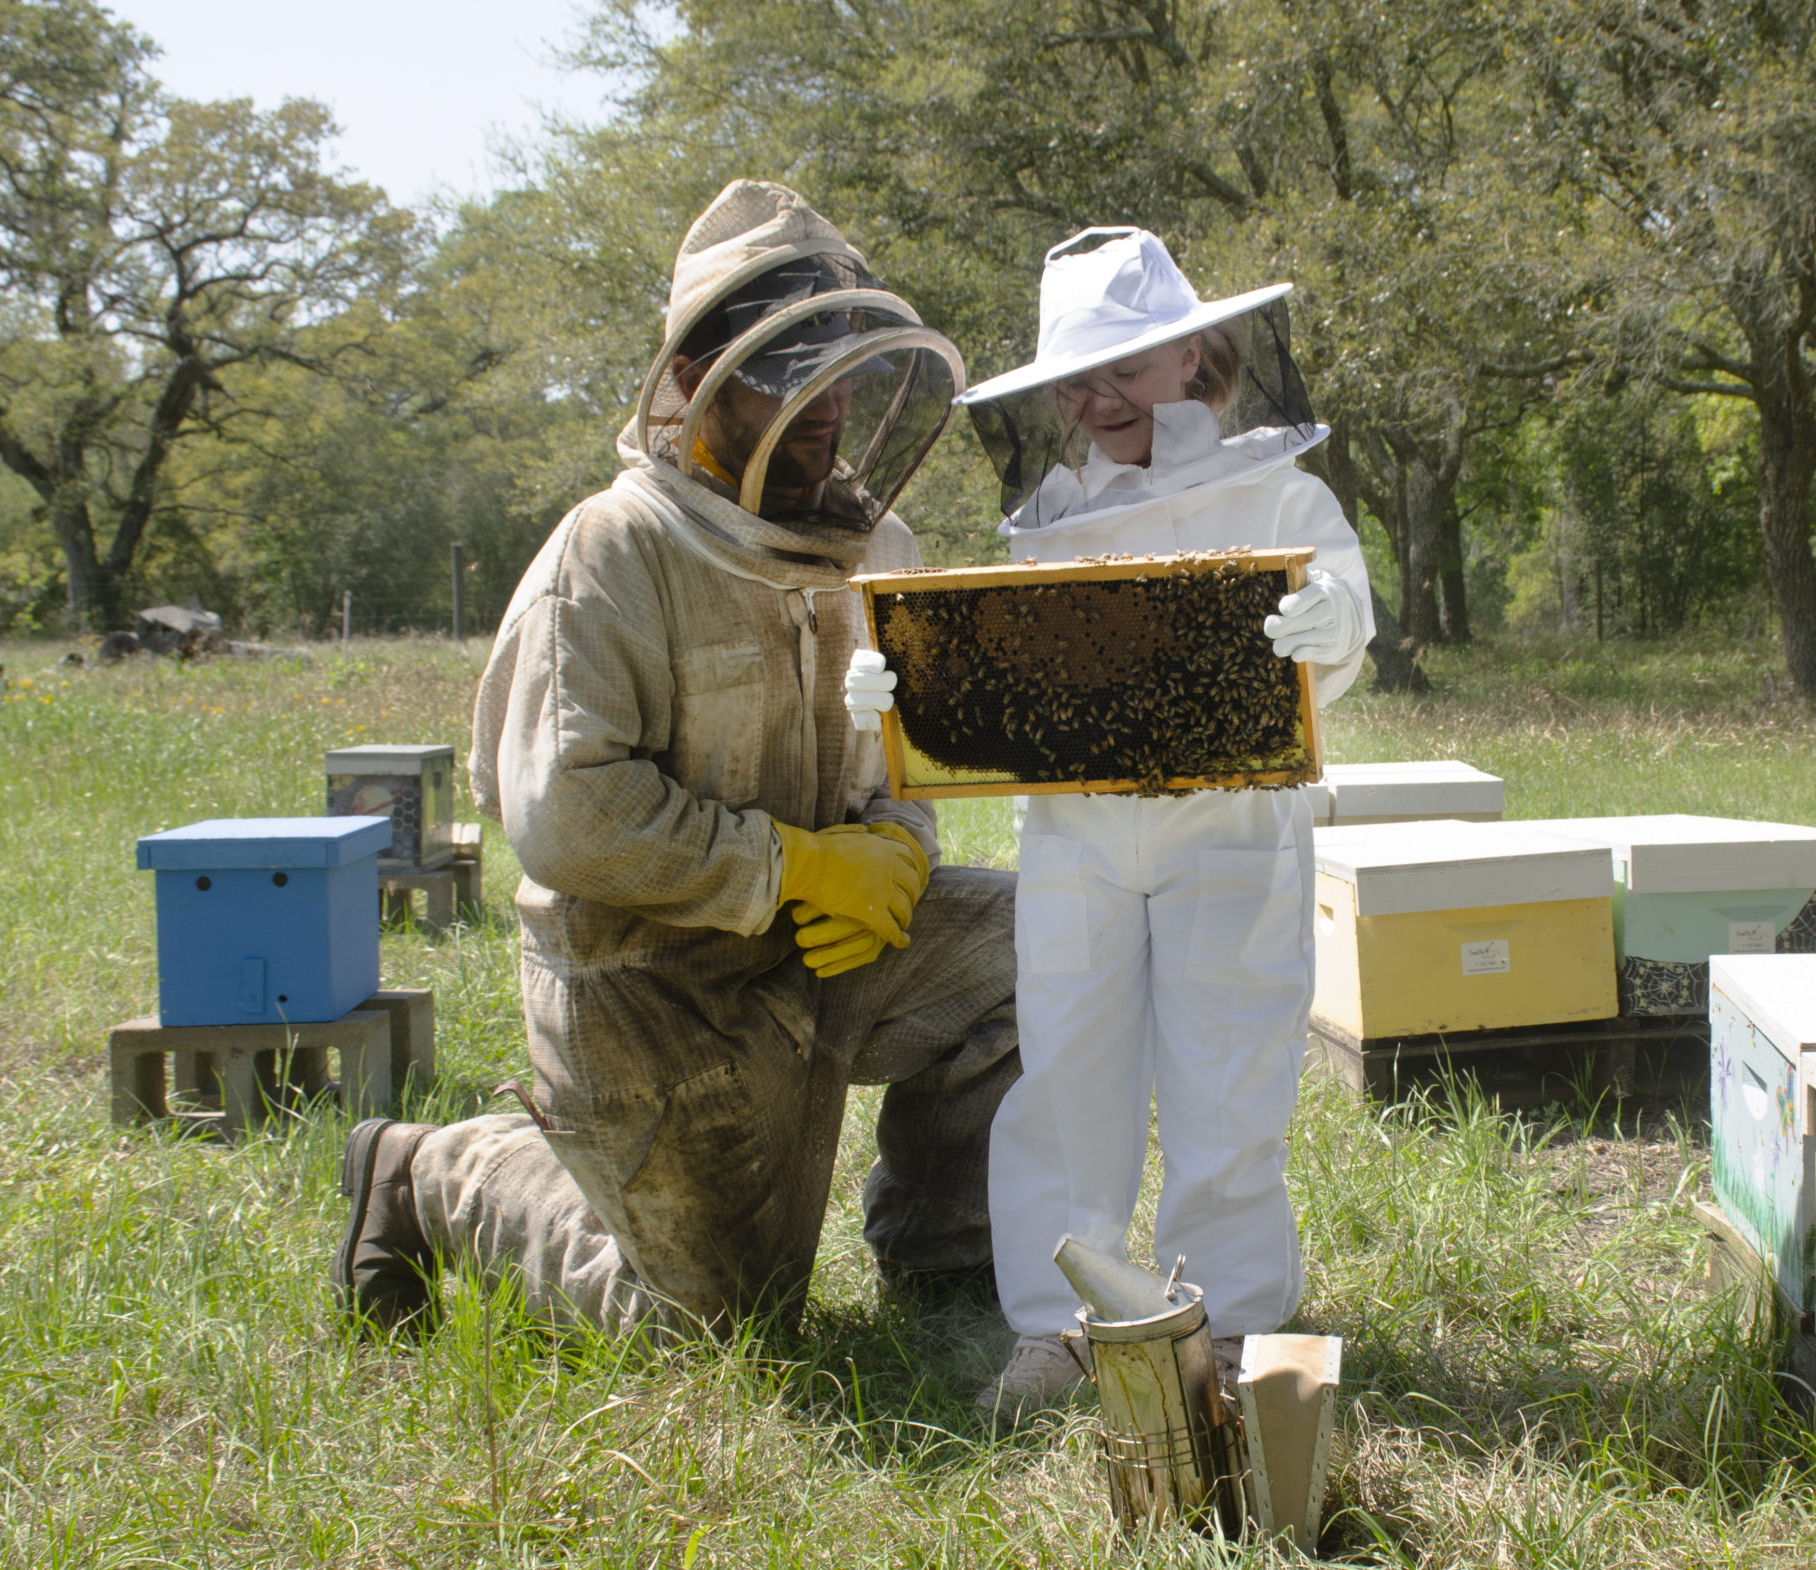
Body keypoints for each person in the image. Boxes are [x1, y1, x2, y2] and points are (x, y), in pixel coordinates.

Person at [331, 179, 1023, 1343]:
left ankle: (945, 1247)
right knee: (717, 1324)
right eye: (786, 373)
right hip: (641, 979)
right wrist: (794, 864)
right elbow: (568, 814)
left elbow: (898, 758)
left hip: (822, 948)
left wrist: (895, 851)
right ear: (700, 382)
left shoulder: (880, 546)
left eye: (841, 370)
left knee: (1050, 946)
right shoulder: (611, 551)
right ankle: (435, 1173)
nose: (825, 405)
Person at [844, 229, 1373, 1413]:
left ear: (1191, 356)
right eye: (1076, 382)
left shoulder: (1279, 492)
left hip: (1232, 831)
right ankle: (1059, 1324)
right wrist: (900, 689)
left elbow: (1346, 623)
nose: (1099, 400)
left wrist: (1330, 619)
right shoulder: (1050, 519)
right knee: (1063, 1081)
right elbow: (1008, 677)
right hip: (1075, 839)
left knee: (1225, 1086)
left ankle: (1226, 1328)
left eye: (1124, 368)